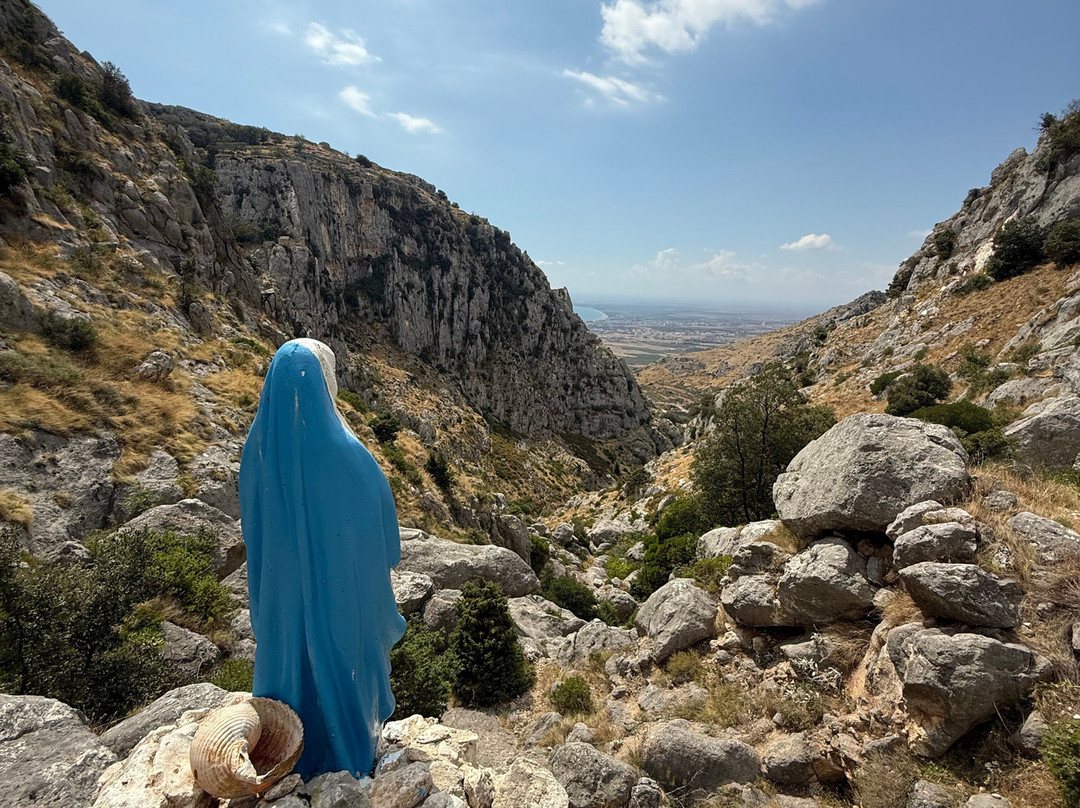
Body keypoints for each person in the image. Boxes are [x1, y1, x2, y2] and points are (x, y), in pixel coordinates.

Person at [239, 338, 406, 778]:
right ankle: (344, 754)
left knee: (289, 658)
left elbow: (254, 535)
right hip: (341, 598)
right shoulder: (351, 456)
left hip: (279, 597)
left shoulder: (257, 455)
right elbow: (385, 536)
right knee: (340, 669)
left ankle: (282, 748)